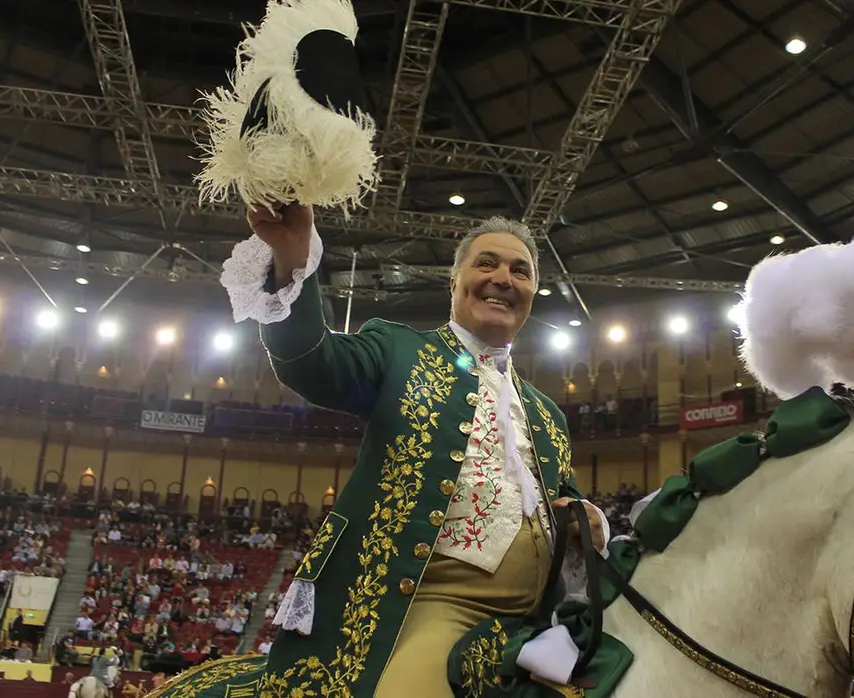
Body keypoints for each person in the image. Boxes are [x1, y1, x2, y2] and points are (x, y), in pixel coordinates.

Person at [212, 202, 608, 698]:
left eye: (520, 271)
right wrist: (294, 261)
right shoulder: (398, 351)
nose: (504, 278)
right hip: (439, 608)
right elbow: (311, 362)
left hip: (544, 620)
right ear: (454, 280)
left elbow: (561, 495)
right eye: (486, 263)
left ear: (532, 294)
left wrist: (584, 515)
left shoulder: (548, 413)